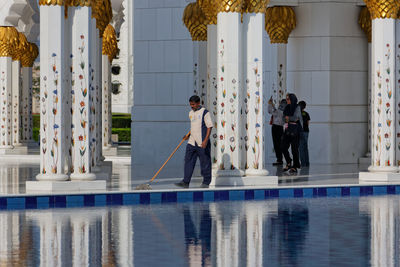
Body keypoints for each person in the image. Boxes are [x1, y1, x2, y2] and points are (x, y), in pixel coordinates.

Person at [175, 95, 213, 188]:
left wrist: (205, 140)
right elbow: (194, 126)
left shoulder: (205, 112)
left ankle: (206, 182)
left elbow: (209, 126)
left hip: (202, 142)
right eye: (190, 104)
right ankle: (185, 182)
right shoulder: (190, 113)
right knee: (188, 161)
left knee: (205, 162)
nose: (192, 106)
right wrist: (187, 136)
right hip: (192, 141)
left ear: (198, 103)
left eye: (193, 104)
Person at [281, 93, 303, 173]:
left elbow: (296, 118)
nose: (287, 101)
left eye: (288, 99)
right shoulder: (287, 107)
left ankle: (295, 166)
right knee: (283, 147)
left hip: (295, 131)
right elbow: (283, 119)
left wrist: (288, 118)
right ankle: (289, 162)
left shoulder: (297, 107)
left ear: (292, 99)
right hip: (287, 130)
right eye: (286, 99)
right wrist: (289, 119)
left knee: (294, 149)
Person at [268, 97, 287, 165]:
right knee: (279, 144)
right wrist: (271, 104)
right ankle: (280, 159)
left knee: (277, 144)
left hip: (276, 127)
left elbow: (270, 111)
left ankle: (279, 159)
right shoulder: (284, 111)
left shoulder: (280, 111)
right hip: (280, 128)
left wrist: (270, 104)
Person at [298, 101, 310, 167]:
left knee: (301, 148)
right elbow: (308, 123)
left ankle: (303, 163)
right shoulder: (306, 114)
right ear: (304, 107)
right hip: (306, 131)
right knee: (305, 147)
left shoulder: (298, 114)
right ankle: (307, 163)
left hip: (300, 131)